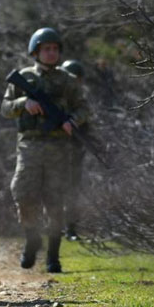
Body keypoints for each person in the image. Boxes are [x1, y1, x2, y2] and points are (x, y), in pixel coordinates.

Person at [1, 27, 88, 273]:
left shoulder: (68, 81)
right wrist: (23, 103)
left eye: (55, 49)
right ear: (36, 52)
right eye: (46, 49)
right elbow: (5, 108)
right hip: (29, 145)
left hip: (59, 147)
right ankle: (32, 239)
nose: (51, 53)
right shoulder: (24, 77)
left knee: (55, 201)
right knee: (23, 193)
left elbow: (84, 108)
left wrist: (73, 121)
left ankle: (53, 256)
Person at [60, 59, 87, 241]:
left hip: (74, 151)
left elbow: (86, 121)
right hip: (53, 150)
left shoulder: (80, 102)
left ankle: (71, 228)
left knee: (72, 190)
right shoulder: (57, 99)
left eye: (77, 79)